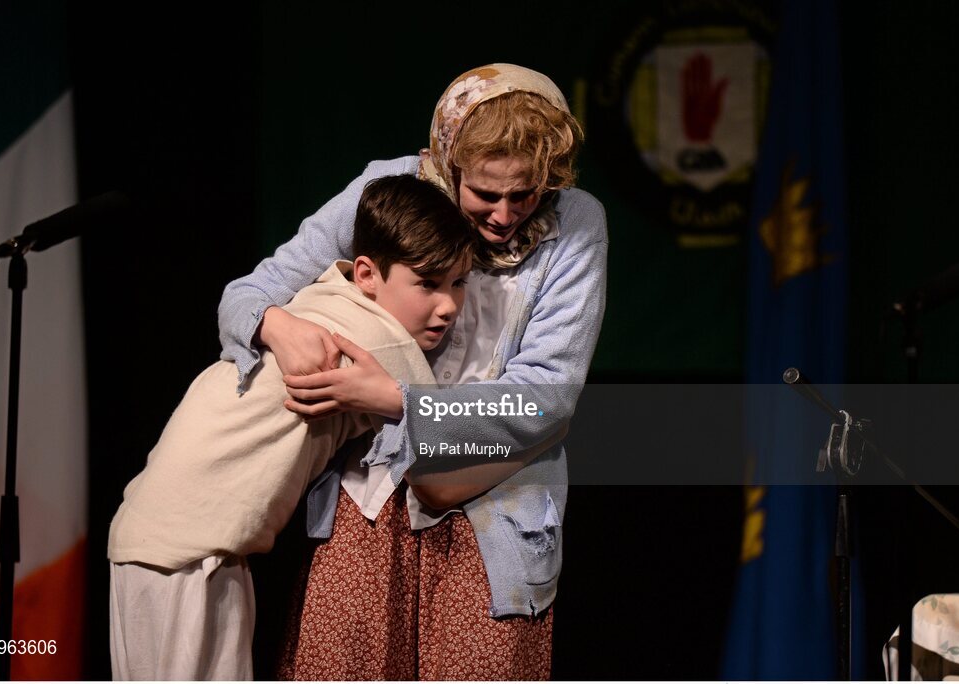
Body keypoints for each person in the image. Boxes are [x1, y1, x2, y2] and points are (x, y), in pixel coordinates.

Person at [218, 63, 608, 680]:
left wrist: (399, 399)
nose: (504, 215)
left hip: (494, 514)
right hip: (366, 500)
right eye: (485, 194)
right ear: (451, 163)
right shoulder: (392, 188)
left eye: (525, 194)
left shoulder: (576, 223)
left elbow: (544, 399)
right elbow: (249, 294)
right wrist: (279, 327)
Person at [106, 175, 476, 680]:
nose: (449, 305)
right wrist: (542, 435)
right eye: (428, 283)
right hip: (188, 552)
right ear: (367, 274)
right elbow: (449, 466)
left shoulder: (326, 294)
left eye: (459, 282)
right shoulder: (384, 343)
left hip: (161, 537)